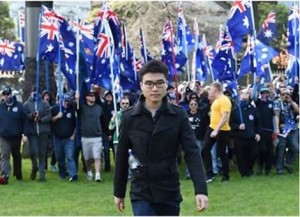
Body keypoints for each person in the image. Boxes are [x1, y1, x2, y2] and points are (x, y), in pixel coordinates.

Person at [114, 60, 208, 216]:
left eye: (160, 83)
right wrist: (119, 192)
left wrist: (201, 190)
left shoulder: (178, 115)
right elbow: (122, 156)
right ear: (142, 86)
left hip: (169, 189)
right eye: (149, 84)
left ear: (166, 85)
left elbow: (192, 152)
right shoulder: (129, 117)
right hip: (142, 189)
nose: (155, 88)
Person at [202, 82, 232, 182]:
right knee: (205, 149)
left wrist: (216, 130)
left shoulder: (224, 100)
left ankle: (225, 176)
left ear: (215, 90)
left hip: (222, 130)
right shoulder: (216, 100)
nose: (209, 91)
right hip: (212, 127)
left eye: (210, 89)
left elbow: (225, 117)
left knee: (221, 153)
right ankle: (209, 174)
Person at [78, 90, 108, 182]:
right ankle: (89, 171)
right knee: (87, 158)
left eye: (94, 96)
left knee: (97, 156)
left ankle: (98, 175)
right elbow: (75, 108)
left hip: (97, 136)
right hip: (85, 136)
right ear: (86, 97)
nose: (93, 97)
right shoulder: (82, 107)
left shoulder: (99, 108)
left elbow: (103, 121)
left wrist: (107, 133)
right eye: (91, 95)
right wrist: (77, 98)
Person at [23, 86, 52, 181]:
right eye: (34, 92)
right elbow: (24, 117)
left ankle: (42, 175)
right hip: (32, 133)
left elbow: (49, 115)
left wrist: (41, 119)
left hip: (43, 132)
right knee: (33, 152)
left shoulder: (44, 104)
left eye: (37, 92)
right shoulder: (27, 104)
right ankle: (34, 167)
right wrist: (32, 115)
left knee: (42, 153)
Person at [230, 90, 261, 177]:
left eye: (247, 93)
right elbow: (231, 124)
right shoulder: (235, 110)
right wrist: (238, 127)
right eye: (244, 93)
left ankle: (249, 169)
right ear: (239, 95)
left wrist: (258, 133)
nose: (246, 95)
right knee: (241, 156)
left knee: (253, 154)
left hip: (251, 137)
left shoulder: (253, 109)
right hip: (240, 138)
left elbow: (258, 122)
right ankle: (244, 173)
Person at [0, 86, 25, 184]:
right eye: (4, 94)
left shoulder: (19, 106)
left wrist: (24, 133)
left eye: (8, 94)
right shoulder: (0, 107)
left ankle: (18, 173)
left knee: (16, 155)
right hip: (4, 136)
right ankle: (5, 175)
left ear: (11, 94)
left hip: (16, 136)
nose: (6, 96)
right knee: (5, 155)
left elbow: (24, 120)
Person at [51, 92, 77, 182]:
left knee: (69, 156)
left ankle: (73, 174)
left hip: (69, 138)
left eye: (68, 101)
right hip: (57, 137)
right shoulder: (55, 109)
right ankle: (62, 172)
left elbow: (75, 124)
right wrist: (57, 117)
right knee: (59, 157)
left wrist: (73, 135)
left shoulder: (72, 110)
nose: (66, 103)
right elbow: (50, 121)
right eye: (65, 101)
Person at [274, 88, 299, 175]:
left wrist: (291, 101)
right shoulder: (277, 102)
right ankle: (279, 168)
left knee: (296, 148)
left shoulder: (291, 102)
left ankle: (288, 164)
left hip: (292, 129)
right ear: (280, 95)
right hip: (282, 129)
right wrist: (276, 128)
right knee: (281, 148)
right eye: (283, 94)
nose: (285, 96)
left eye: (287, 94)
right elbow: (276, 116)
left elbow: (298, 111)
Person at [252, 86, 275, 175]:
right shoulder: (258, 103)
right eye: (263, 93)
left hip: (269, 130)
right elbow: (254, 96)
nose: (264, 95)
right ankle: (260, 166)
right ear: (260, 94)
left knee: (269, 150)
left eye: (266, 93)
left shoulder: (271, 103)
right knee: (262, 149)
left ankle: (268, 169)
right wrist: (256, 84)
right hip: (260, 129)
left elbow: (274, 116)